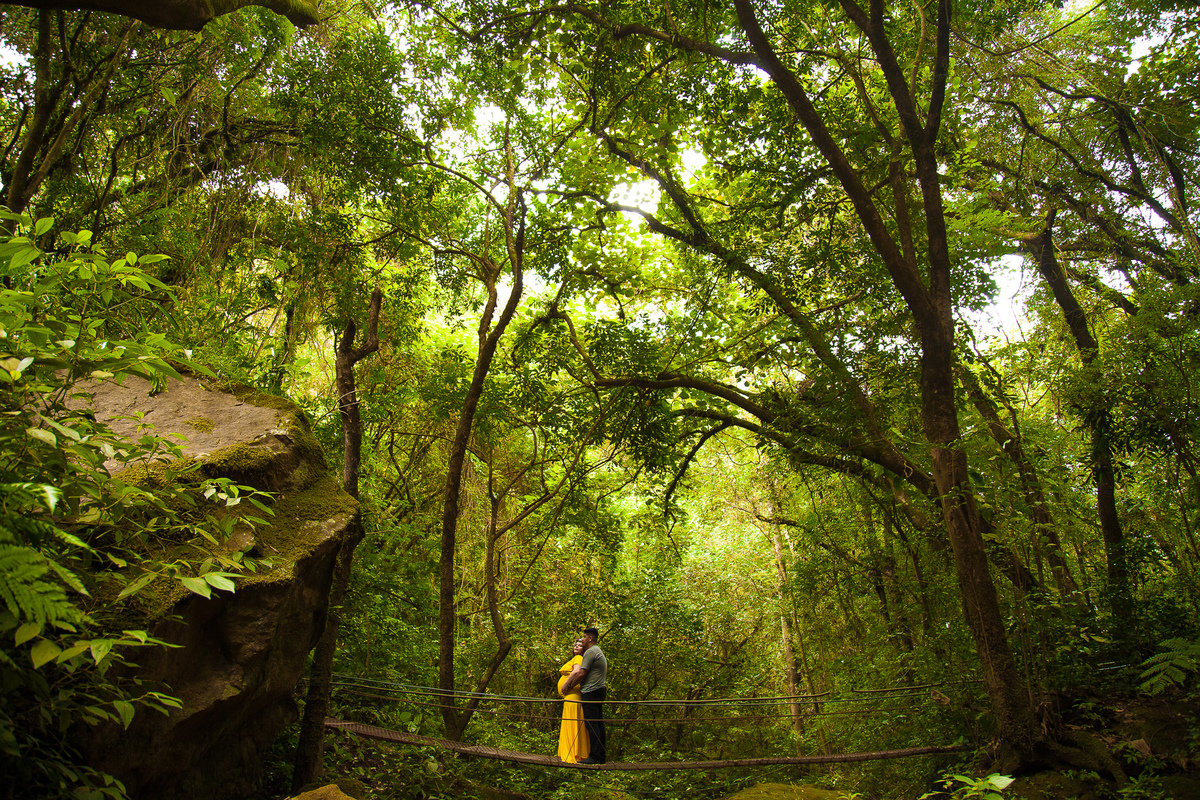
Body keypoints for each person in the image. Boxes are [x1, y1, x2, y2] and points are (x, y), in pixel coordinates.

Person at [562, 626, 607, 764]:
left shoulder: (591, 652)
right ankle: (601, 755)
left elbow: (581, 673)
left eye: (584, 637)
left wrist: (569, 686)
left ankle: (595, 756)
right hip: (598, 690)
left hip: (591, 691)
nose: (582, 639)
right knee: (597, 723)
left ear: (590, 638)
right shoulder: (597, 651)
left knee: (591, 724)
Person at [556, 639, 590, 763]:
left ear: (583, 649)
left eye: (580, 645)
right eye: (575, 644)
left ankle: (572, 752)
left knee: (572, 723)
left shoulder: (579, 658)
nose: (576, 646)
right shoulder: (576, 659)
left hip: (573, 697)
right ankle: (573, 751)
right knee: (571, 723)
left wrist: (566, 685)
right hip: (571, 698)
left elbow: (576, 671)